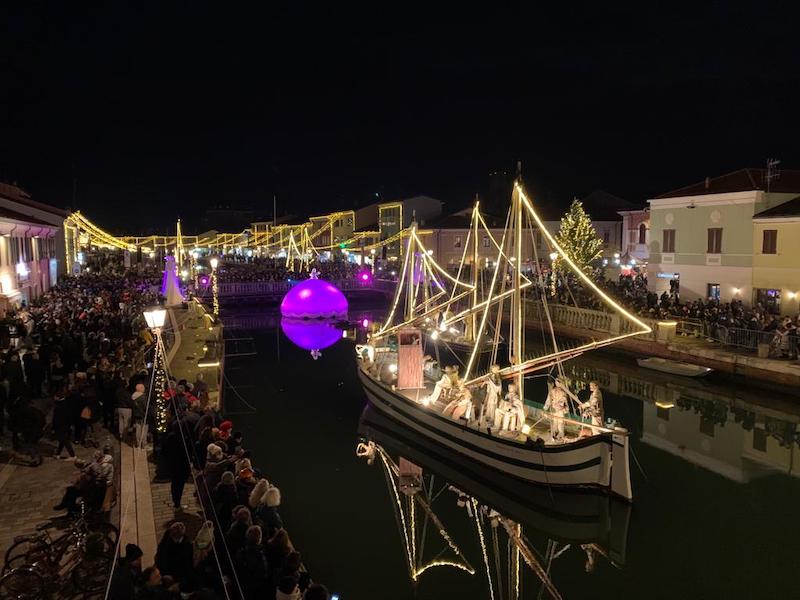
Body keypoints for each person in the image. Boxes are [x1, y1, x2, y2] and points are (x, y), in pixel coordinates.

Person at [234, 525, 269, 600]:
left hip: (240, 582)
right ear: (259, 539)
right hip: (250, 588)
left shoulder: (241, 551)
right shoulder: (261, 558)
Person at [52, 387, 76, 459]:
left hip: (60, 426)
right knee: (62, 440)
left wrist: (53, 428)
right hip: (67, 425)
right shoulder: (67, 403)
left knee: (65, 441)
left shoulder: (58, 407)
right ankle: (58, 454)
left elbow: (56, 419)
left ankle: (73, 455)